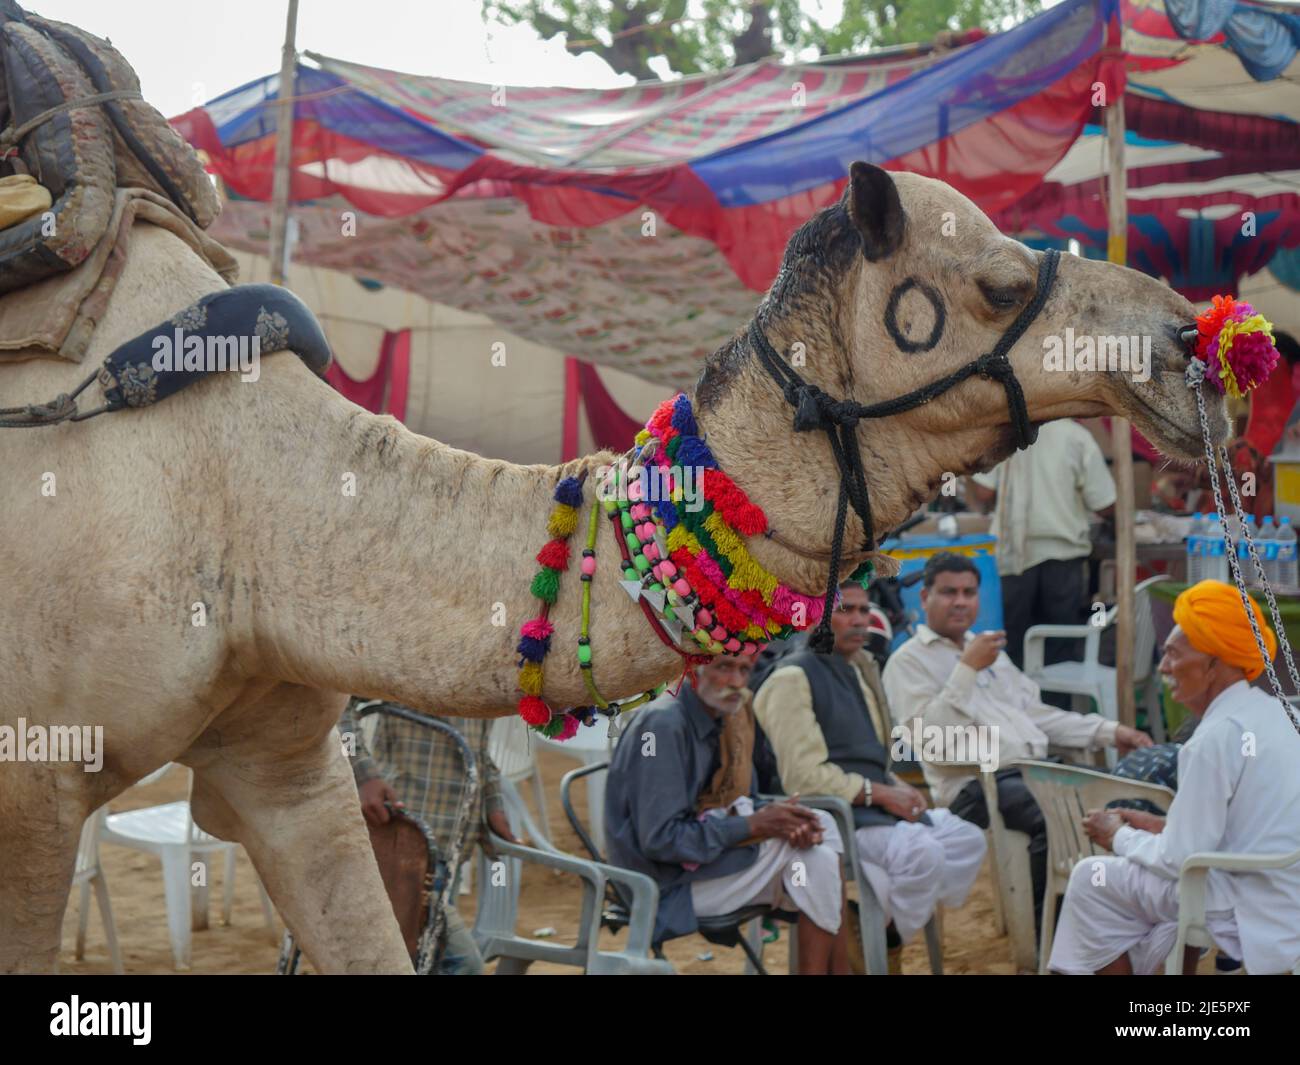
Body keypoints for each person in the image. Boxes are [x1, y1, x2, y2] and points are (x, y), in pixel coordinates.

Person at [881, 552, 1150, 939]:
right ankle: (1053, 941)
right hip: (976, 788)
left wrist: (1108, 731)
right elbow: (930, 741)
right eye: (948, 592)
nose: (960, 601)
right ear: (924, 598)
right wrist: (966, 670)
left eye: (969, 592)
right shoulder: (908, 663)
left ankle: (1109, 926)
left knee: (1118, 798)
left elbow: (1038, 715)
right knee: (1055, 820)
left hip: (1035, 771)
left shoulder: (989, 651)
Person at [1049, 581, 1300, 975]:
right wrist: (1162, 826)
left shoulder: (1214, 739)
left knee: (1091, 878)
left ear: (1214, 664)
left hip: (1240, 897)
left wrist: (1117, 835)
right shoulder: (1281, 714)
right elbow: (1247, 827)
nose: (1163, 668)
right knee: (1140, 890)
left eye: (1171, 654)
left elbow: (1179, 859)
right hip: (1281, 890)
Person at [753, 580, 986, 972]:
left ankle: (878, 924)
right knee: (923, 854)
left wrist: (894, 786)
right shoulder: (791, 678)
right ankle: (887, 939)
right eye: (847, 611)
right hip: (830, 822)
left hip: (873, 811)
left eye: (864, 610)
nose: (861, 620)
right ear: (815, 617)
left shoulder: (860, 667)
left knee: (966, 839)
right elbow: (802, 778)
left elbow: (871, 757)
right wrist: (877, 793)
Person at [604, 653, 852, 974]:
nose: (736, 682)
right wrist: (754, 824)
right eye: (724, 667)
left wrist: (775, 817)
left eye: (744, 670)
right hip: (661, 885)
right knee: (815, 860)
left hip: (701, 866)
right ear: (693, 669)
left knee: (818, 827)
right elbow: (661, 840)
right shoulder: (663, 725)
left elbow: (734, 801)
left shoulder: (722, 714)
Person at [339, 697, 519, 975]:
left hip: (451, 845)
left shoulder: (480, 667)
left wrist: (492, 806)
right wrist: (361, 773)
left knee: (426, 962)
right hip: (404, 842)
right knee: (461, 963)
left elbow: (481, 753)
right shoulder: (403, 654)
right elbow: (338, 706)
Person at [968, 418, 1116, 672]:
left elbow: (983, 493)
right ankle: (1054, 706)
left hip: (1015, 559)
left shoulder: (1004, 433)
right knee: (1059, 651)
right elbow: (1105, 504)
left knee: (1012, 648)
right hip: (1063, 561)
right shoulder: (1077, 437)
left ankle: (1014, 707)